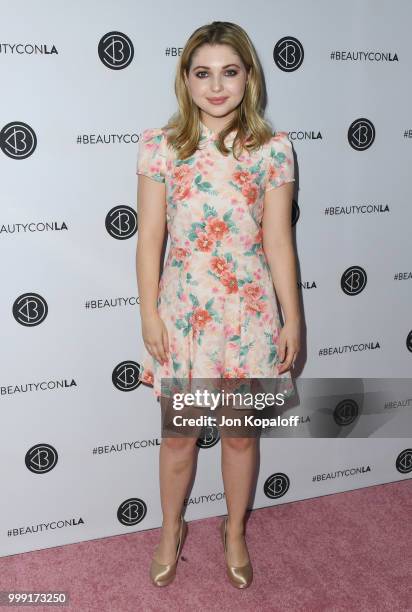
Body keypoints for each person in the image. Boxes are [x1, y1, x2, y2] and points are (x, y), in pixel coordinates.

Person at [135, 21, 301, 589]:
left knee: (238, 434)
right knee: (179, 435)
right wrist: (148, 315)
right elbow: (149, 238)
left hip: (249, 314)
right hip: (184, 314)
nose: (216, 85)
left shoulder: (273, 150)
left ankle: (233, 530)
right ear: (185, 79)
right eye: (202, 73)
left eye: (229, 71)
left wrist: (293, 317)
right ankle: (170, 528)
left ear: (249, 77)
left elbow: (279, 241)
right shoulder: (162, 146)